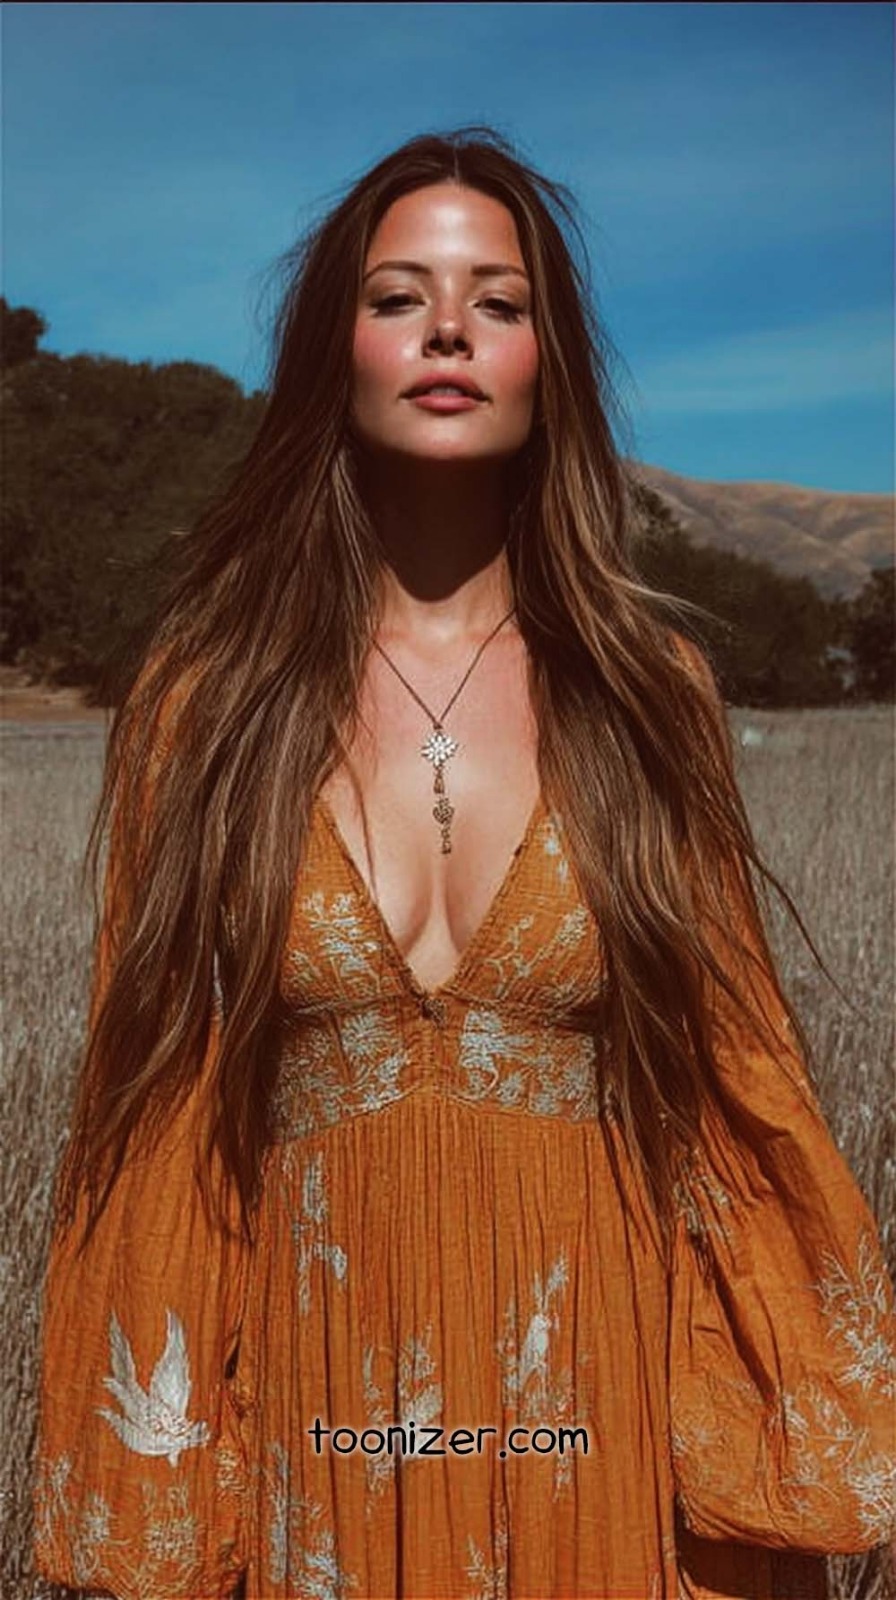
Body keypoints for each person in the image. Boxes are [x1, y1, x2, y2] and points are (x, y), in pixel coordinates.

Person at [34, 127, 895, 1600]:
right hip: (325, 1440)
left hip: (601, 1426)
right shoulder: (206, 702)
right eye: (399, 297)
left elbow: (737, 1088)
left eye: (500, 302)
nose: (448, 328)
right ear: (335, 351)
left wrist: (776, 1446)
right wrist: (153, 1503)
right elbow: (153, 1126)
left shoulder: (647, 691)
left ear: (548, 362)